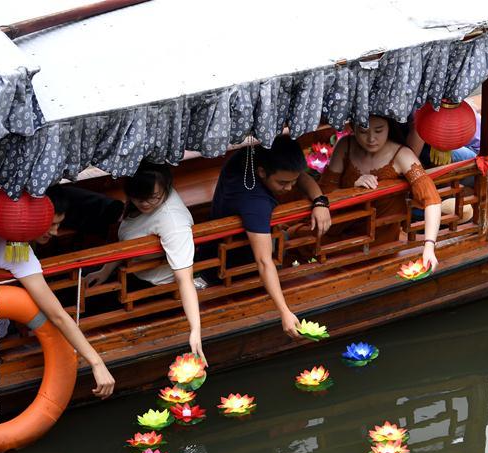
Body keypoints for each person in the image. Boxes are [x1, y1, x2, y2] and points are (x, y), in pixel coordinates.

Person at [0, 193, 115, 398]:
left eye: (58, 224)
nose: (56, 232)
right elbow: (57, 314)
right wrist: (97, 362)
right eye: (50, 225)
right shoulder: (17, 253)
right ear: (30, 222)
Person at [210, 135, 331, 339]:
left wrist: (320, 201)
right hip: (233, 267)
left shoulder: (251, 154)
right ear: (262, 172)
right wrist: (284, 311)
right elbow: (264, 261)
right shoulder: (254, 203)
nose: (290, 188)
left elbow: (298, 176)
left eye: (292, 181)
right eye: (283, 183)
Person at [84, 162, 207, 362]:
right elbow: (126, 242)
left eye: (153, 198)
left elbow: (185, 279)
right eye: (138, 198)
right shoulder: (142, 199)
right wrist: (105, 271)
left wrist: (195, 329)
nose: (145, 204)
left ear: (166, 187)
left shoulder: (173, 223)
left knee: (91, 310)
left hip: (153, 287)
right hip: (129, 267)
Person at [319, 116, 442, 270]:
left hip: (379, 237)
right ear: (352, 127)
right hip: (339, 224)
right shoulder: (345, 145)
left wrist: (429, 246)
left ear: (389, 127)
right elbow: (324, 193)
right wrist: (353, 188)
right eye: (363, 131)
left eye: (379, 130)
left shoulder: (401, 154)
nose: (371, 139)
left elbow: (431, 199)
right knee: (299, 236)